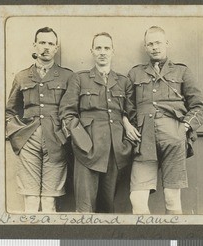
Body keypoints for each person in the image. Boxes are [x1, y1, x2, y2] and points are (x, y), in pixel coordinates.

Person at [126, 26, 203, 215]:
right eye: (150, 44)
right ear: (146, 47)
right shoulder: (135, 73)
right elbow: (126, 106)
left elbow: (200, 107)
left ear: (166, 44)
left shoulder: (182, 72)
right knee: (137, 198)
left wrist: (183, 127)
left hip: (173, 139)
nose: (154, 47)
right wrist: (128, 124)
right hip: (143, 140)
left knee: (172, 200)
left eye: (158, 43)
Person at [59, 32, 137, 213]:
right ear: (92, 51)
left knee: (107, 208)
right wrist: (82, 143)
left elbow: (132, 115)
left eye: (107, 48)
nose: (102, 52)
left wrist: (126, 140)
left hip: (115, 152)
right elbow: (67, 113)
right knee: (84, 209)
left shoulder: (123, 82)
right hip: (87, 151)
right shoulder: (80, 78)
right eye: (98, 48)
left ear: (113, 51)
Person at [6, 27, 73, 212]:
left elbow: (72, 110)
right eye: (42, 42)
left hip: (56, 142)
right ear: (35, 45)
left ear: (56, 48)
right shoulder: (21, 76)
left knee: (50, 202)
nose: (46, 47)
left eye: (51, 43)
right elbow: (10, 110)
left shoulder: (68, 76)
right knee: (31, 199)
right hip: (29, 141)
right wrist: (16, 135)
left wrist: (65, 136)